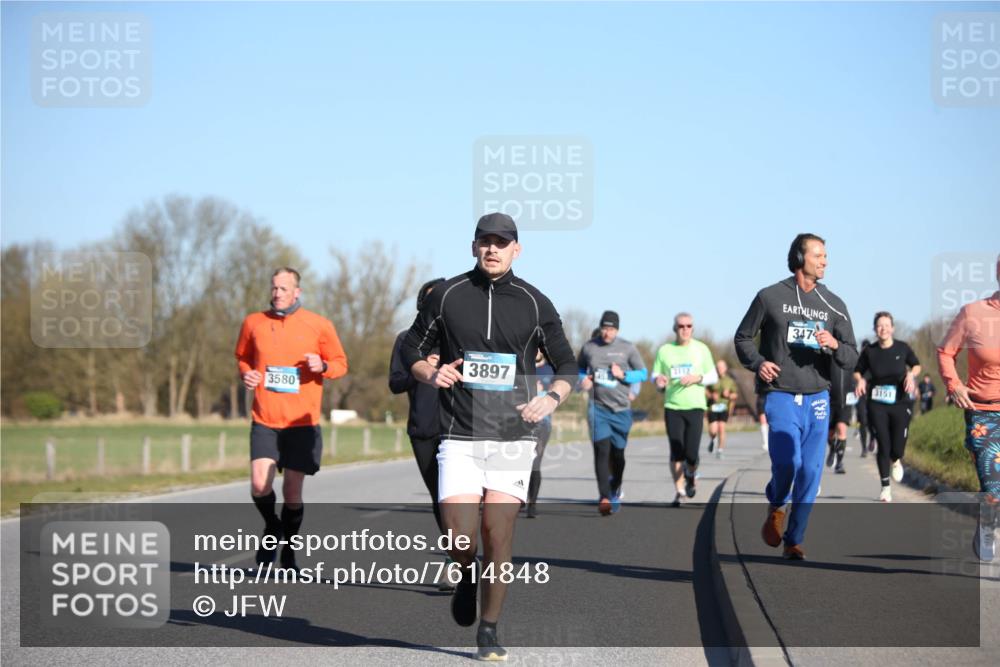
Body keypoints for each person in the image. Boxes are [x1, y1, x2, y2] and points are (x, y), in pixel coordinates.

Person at [401, 212, 576, 660]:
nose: (492, 249)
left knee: (498, 536)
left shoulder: (535, 302)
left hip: (512, 437)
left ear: (517, 249)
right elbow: (412, 350)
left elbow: (567, 364)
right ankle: (465, 575)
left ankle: (490, 629)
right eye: (485, 242)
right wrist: (430, 371)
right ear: (474, 246)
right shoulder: (447, 295)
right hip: (458, 435)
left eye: (502, 242)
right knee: (461, 539)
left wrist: (551, 398)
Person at [734, 233, 857, 560]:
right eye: (819, 255)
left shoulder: (834, 304)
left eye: (826, 256)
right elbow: (743, 338)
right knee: (789, 461)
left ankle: (794, 539)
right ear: (800, 257)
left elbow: (852, 356)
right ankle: (776, 502)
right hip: (780, 394)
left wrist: (834, 344)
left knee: (811, 471)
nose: (825, 261)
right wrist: (758, 363)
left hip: (818, 396)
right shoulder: (770, 296)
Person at [235, 267, 348, 571]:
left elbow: (340, 364)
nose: (277, 294)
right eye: (274, 288)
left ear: (297, 292)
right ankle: (272, 526)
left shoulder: (318, 325)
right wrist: (248, 374)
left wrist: (322, 365)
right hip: (266, 418)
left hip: (302, 422)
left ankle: (289, 548)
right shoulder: (253, 323)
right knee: (260, 485)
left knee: (292, 493)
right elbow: (242, 356)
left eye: (283, 289)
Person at [937, 255, 1000, 562]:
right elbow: (946, 352)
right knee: (993, 484)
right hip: (984, 412)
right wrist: (954, 385)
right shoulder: (974, 313)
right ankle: (988, 523)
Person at [578, 311, 648, 514]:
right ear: (599, 327)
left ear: (617, 330)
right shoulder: (589, 347)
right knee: (602, 451)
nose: (607, 333)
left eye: (611, 329)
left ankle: (615, 485)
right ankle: (605, 497)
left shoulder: (627, 348)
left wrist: (623, 374)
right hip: (598, 407)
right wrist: (582, 380)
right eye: (604, 328)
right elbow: (579, 369)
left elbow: (643, 373)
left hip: (621, 409)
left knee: (618, 455)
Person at [389, 278, 446, 529]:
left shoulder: (460, 340)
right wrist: (421, 369)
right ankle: (457, 554)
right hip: (423, 429)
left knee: (460, 498)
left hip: (459, 428)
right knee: (439, 497)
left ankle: (467, 550)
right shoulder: (406, 341)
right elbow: (395, 383)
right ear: (422, 305)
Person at [652, 312, 718, 506]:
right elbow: (656, 375)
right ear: (675, 328)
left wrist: (697, 378)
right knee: (676, 450)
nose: (685, 330)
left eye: (689, 326)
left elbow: (713, 376)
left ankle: (690, 473)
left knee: (691, 453)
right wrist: (658, 381)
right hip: (672, 406)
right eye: (681, 326)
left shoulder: (701, 349)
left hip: (696, 406)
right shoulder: (665, 350)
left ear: (693, 328)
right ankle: (679, 490)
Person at [854, 312, 921, 502]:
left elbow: (916, 365)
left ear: (892, 328)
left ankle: (897, 459)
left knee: (897, 447)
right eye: (879, 325)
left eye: (886, 325)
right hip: (877, 404)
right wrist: (860, 382)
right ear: (875, 329)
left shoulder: (903, 347)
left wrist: (910, 375)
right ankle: (885, 487)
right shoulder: (869, 351)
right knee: (883, 444)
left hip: (900, 402)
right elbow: (858, 371)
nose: (883, 328)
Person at [526, 350, 555, 518]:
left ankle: (532, 503)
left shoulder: (550, 370)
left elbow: (560, 394)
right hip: (519, 420)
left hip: (543, 422)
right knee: (519, 462)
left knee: (535, 462)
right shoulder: (522, 366)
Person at [707, 359, 739, 459]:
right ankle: (713, 439)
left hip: (724, 407)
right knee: (713, 430)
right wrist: (711, 395)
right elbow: (704, 390)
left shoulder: (730, 381)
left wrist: (729, 395)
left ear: (725, 368)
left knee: (721, 428)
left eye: (721, 367)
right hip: (712, 407)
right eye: (718, 367)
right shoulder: (711, 379)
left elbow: (735, 395)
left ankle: (720, 450)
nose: (719, 369)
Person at [825, 365, 853, 474]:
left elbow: (860, 371)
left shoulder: (850, 353)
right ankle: (832, 448)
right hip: (829, 400)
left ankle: (839, 463)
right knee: (830, 434)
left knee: (841, 428)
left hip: (845, 401)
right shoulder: (827, 352)